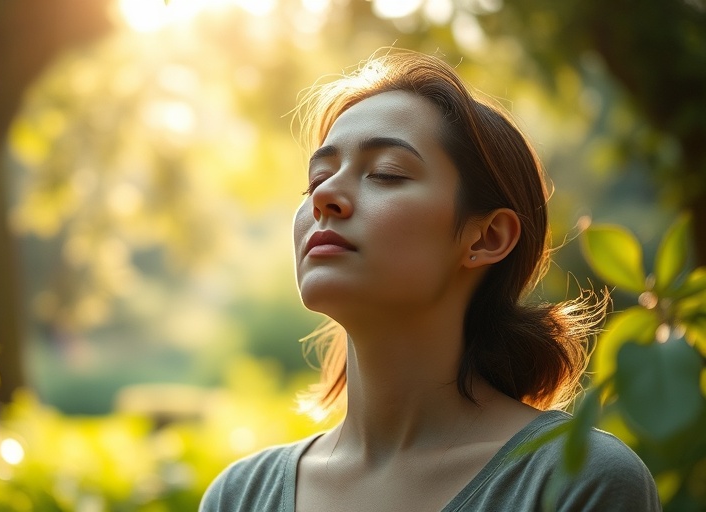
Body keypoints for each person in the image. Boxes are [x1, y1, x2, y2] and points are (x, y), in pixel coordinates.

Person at [200, 50, 660, 511]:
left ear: (487, 237)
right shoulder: (239, 496)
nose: (324, 196)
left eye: (385, 173)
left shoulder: (575, 480)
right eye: (317, 178)